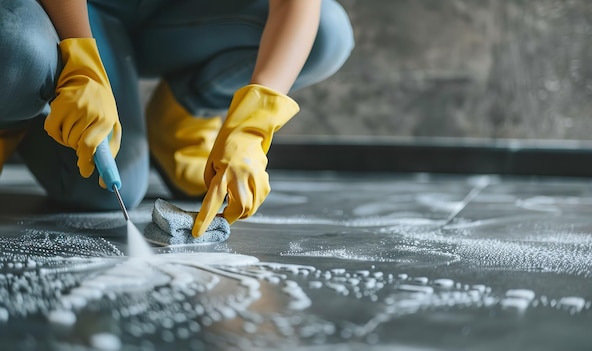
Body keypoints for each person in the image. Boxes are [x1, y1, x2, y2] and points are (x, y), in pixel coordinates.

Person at [0, 0, 354, 237]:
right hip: (87, 9)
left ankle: (183, 113)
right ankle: (22, 107)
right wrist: (79, 58)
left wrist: (253, 125)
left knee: (326, 32)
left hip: (182, 17)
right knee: (101, 190)